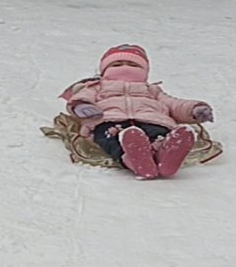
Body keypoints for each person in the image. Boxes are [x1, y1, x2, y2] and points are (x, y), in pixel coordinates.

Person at [62, 45, 214, 179]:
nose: (125, 67)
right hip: (109, 120)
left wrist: (194, 109)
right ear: (104, 70)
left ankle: (164, 153)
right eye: (117, 64)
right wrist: (82, 106)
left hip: (153, 120)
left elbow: (173, 104)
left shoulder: (151, 90)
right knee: (113, 138)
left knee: (158, 134)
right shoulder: (96, 86)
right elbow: (80, 98)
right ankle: (131, 158)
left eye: (133, 64)